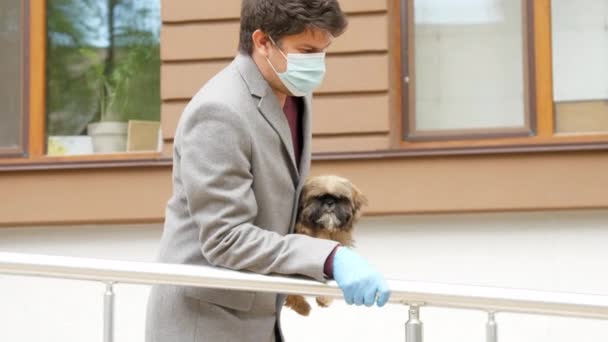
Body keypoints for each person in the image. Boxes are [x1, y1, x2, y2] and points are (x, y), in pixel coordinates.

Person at [145, 1, 390, 341]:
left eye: (323, 52)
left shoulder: (293, 91)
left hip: (258, 317)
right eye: (306, 50)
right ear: (262, 42)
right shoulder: (219, 111)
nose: (316, 64)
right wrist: (331, 258)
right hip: (205, 323)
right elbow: (225, 238)